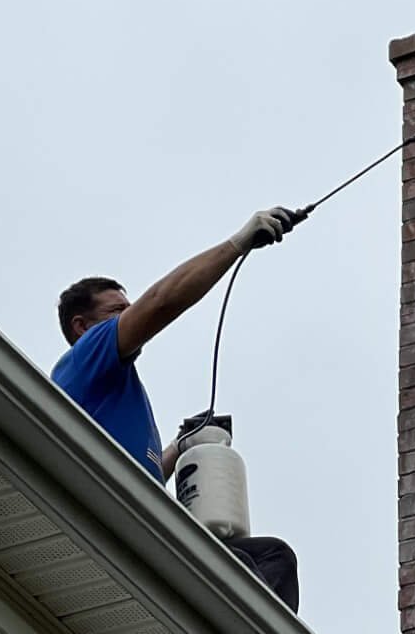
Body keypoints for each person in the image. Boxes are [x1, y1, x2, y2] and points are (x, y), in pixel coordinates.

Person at [53, 209, 301, 611]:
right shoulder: (87, 357)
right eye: (118, 311)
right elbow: (162, 302)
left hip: (140, 522)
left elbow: (144, 475)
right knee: (238, 570)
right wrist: (238, 243)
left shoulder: (113, 389)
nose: (130, 316)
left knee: (271, 557)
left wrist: (180, 448)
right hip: (117, 534)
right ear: (82, 326)